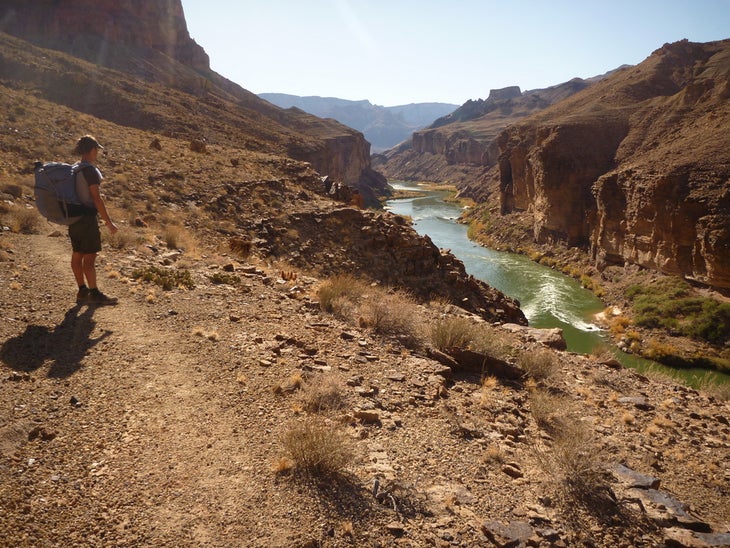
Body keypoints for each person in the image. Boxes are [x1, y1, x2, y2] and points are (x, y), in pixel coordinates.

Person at [69, 135, 119, 305]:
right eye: (96, 149)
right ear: (91, 150)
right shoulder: (89, 170)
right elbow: (96, 198)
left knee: (77, 253)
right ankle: (94, 293)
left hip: (73, 218)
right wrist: (108, 222)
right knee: (89, 257)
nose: (97, 152)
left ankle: (82, 291)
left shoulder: (74, 169)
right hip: (87, 218)